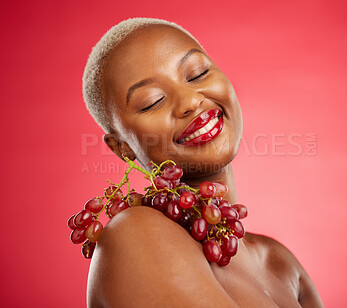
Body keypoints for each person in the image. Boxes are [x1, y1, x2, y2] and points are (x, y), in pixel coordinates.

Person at [82, 17, 324, 308]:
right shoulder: (135, 236)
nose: (190, 101)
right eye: (152, 101)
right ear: (122, 147)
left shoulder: (281, 263)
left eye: (198, 73)